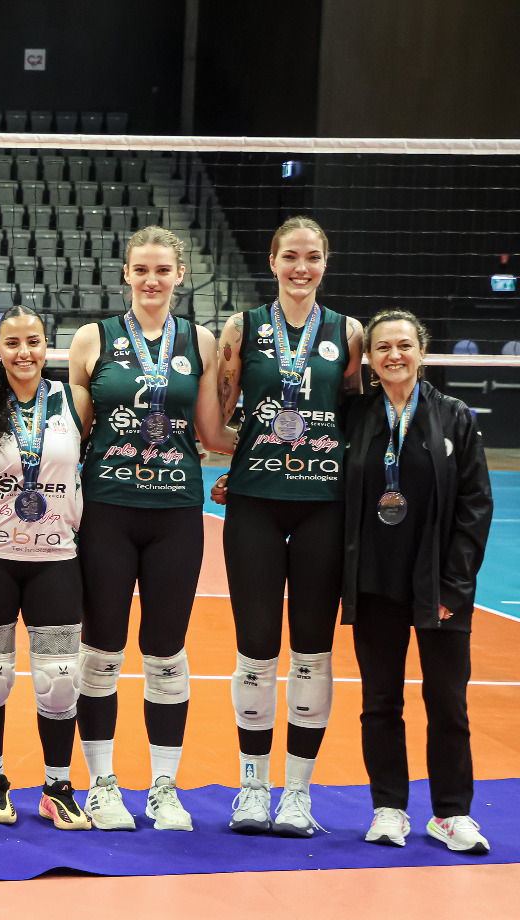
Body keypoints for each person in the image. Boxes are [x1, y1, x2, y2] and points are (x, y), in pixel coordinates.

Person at [67, 226, 230, 832]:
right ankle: (101, 785)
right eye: (142, 269)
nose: (152, 279)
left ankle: (164, 787)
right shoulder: (93, 339)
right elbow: (69, 432)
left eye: (163, 269)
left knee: (166, 651)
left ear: (180, 274)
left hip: (176, 515)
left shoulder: (200, 340)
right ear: (126, 274)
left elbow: (212, 434)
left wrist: (269, 449)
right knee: (101, 650)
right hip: (107, 512)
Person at [211, 218, 363, 837]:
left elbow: (355, 418)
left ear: (326, 262)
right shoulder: (241, 328)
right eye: (291, 256)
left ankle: (297, 793)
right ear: (272, 260)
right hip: (255, 503)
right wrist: (244, 459)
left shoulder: (348, 333)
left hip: (324, 505)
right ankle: (253, 787)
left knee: (312, 650)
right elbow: (219, 418)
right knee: (255, 648)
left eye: (313, 257)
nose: (302, 268)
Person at [341, 310, 492, 854]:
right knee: (381, 702)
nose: (394, 355)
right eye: (382, 347)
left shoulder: (455, 417)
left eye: (404, 345)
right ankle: (389, 808)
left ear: (421, 352)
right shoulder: (355, 416)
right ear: (368, 358)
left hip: (439, 588)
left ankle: (451, 813)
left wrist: (455, 587)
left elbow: (475, 506)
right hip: (375, 582)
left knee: (447, 702)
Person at [0, 307, 92, 829]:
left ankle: (57, 787)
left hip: (56, 557)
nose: (24, 352)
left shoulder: (74, 400)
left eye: (33, 341)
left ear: (46, 346)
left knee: (60, 679)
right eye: (12, 343)